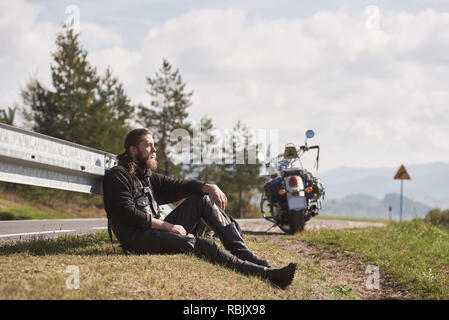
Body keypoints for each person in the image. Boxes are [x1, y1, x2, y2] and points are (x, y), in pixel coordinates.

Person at [103, 128, 297, 289]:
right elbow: (125, 212)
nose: (154, 148)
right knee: (197, 243)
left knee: (201, 199)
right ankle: (266, 275)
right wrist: (168, 227)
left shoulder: (146, 176)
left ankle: (247, 256)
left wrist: (208, 186)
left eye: (154, 144)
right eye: (148, 145)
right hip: (137, 240)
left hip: (154, 231)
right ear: (133, 150)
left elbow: (179, 185)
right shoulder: (118, 175)